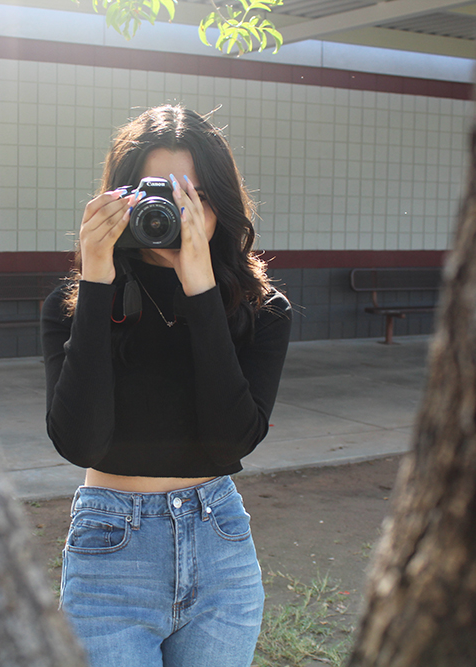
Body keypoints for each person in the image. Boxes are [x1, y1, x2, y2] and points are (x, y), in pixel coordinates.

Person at [41, 104, 291, 667]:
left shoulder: (260, 308)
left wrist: (200, 290)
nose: (173, 211)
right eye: (158, 193)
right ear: (120, 199)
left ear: (220, 203)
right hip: (110, 551)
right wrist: (97, 279)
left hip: (220, 546)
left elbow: (233, 442)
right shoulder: (76, 305)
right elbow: (80, 443)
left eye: (193, 195)